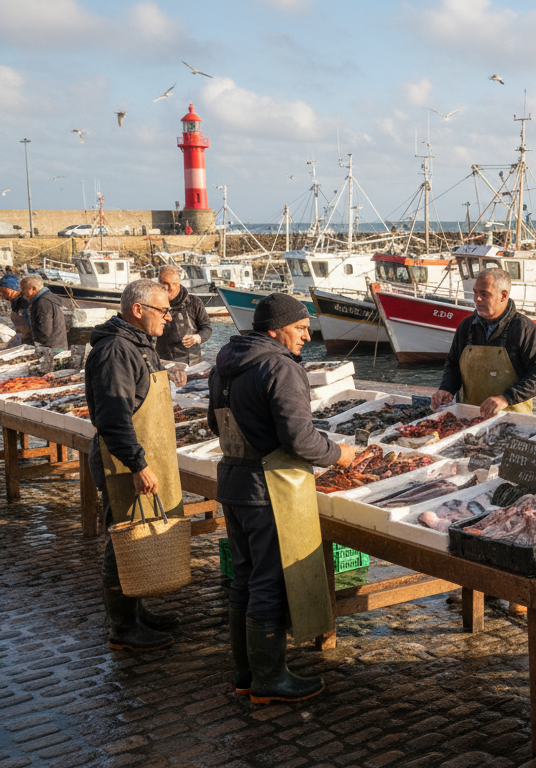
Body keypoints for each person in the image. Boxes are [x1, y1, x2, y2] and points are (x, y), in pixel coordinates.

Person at [208, 293, 356, 705]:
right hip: (267, 488)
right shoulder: (279, 367)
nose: (308, 336)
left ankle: (245, 673)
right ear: (275, 329)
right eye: (300, 328)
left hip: (232, 480)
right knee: (269, 582)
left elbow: (212, 422)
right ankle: (270, 678)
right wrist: (337, 454)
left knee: (244, 579)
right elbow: (300, 438)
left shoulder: (225, 364)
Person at [85, 279, 189, 652]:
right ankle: (123, 628)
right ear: (138, 310)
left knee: (137, 532)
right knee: (124, 540)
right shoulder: (116, 350)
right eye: (163, 310)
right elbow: (113, 416)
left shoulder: (138, 345)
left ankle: (138, 609)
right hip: (122, 460)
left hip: (137, 456)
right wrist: (137, 464)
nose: (169, 316)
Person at [429, 267, 536, 417]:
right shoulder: (465, 327)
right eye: (475, 292)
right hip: (469, 416)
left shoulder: (525, 329)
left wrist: (506, 398)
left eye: (484, 294)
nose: (476, 299)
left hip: (512, 419)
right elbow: (453, 364)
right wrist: (446, 389)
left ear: (503, 295)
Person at [155, 265, 212, 364]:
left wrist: (197, 337)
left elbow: (207, 328)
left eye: (173, 284)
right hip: (164, 361)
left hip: (192, 362)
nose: (168, 288)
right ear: (159, 282)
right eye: (164, 284)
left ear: (178, 283)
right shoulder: (152, 304)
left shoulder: (194, 302)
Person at [21, 274, 68, 351]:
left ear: (33, 289)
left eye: (23, 289)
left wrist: (27, 341)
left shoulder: (43, 302)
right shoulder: (48, 297)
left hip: (52, 350)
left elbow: (43, 332)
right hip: (58, 346)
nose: (22, 292)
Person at [0, 274, 31, 348]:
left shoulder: (25, 302)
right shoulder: (14, 302)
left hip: (32, 341)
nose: (2, 295)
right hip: (23, 338)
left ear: (13, 289)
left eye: (4, 291)